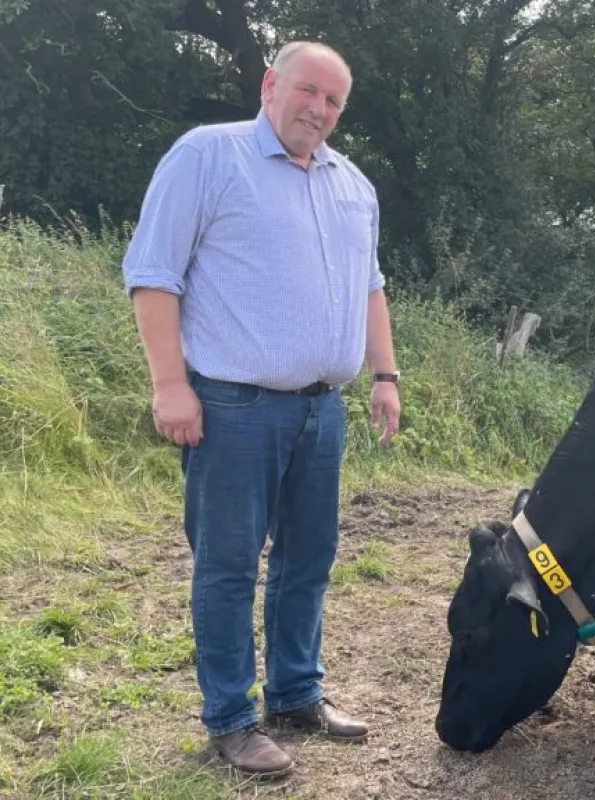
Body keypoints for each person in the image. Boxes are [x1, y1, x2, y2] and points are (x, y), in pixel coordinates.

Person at [120, 41, 402, 776]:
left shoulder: (353, 185)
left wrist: (385, 374)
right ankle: (232, 719)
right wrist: (169, 384)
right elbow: (153, 275)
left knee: (309, 559)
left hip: (322, 410)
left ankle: (296, 693)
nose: (320, 109)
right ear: (270, 83)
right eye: (309, 90)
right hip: (232, 406)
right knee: (228, 566)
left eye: (335, 101)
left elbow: (370, 285)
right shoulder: (207, 157)